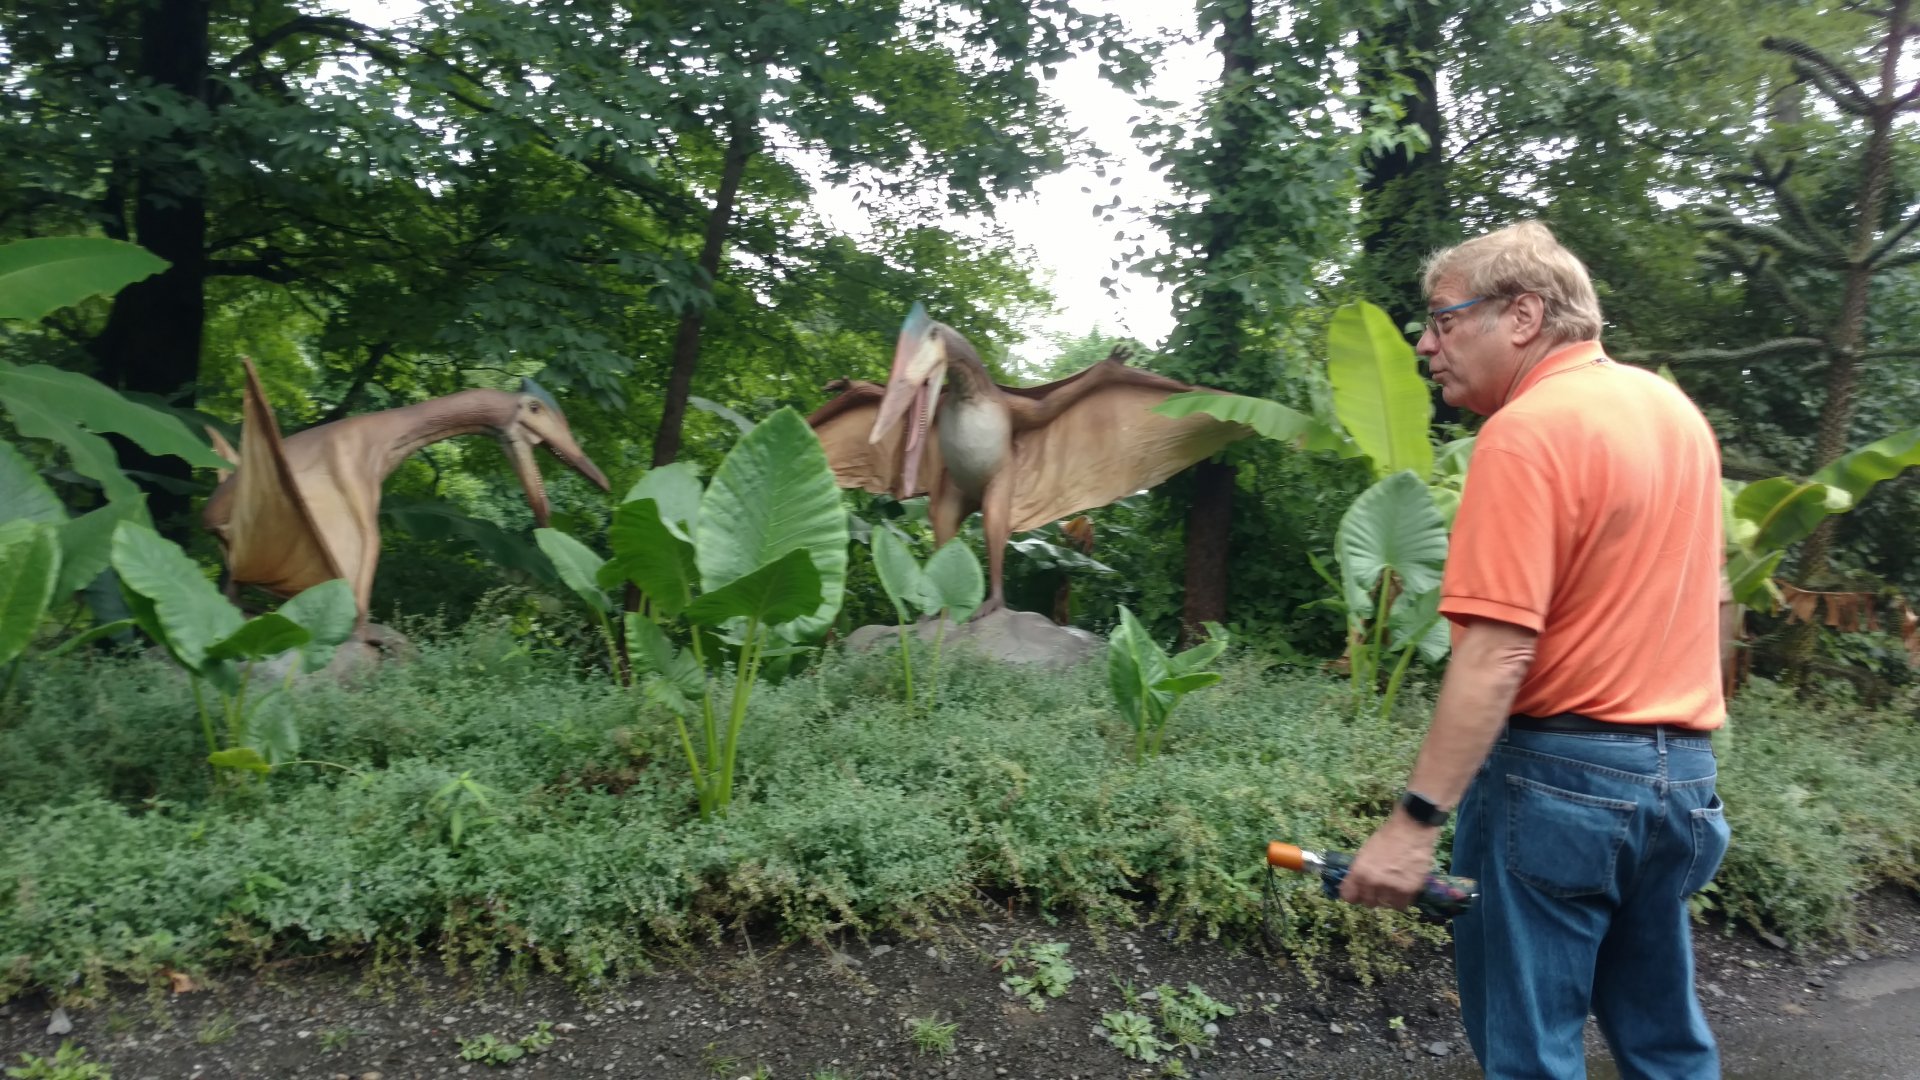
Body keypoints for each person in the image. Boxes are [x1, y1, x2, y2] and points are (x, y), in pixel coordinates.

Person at [1337, 221, 1731, 1080]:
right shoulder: (1675, 416)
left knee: (1532, 1056)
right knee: (1666, 1042)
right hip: (1685, 784)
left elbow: (1497, 653)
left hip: (1560, 788)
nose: (1424, 345)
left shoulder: (1525, 432)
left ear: (1523, 315)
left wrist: (1413, 826)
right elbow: (1719, 604)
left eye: (1443, 320)